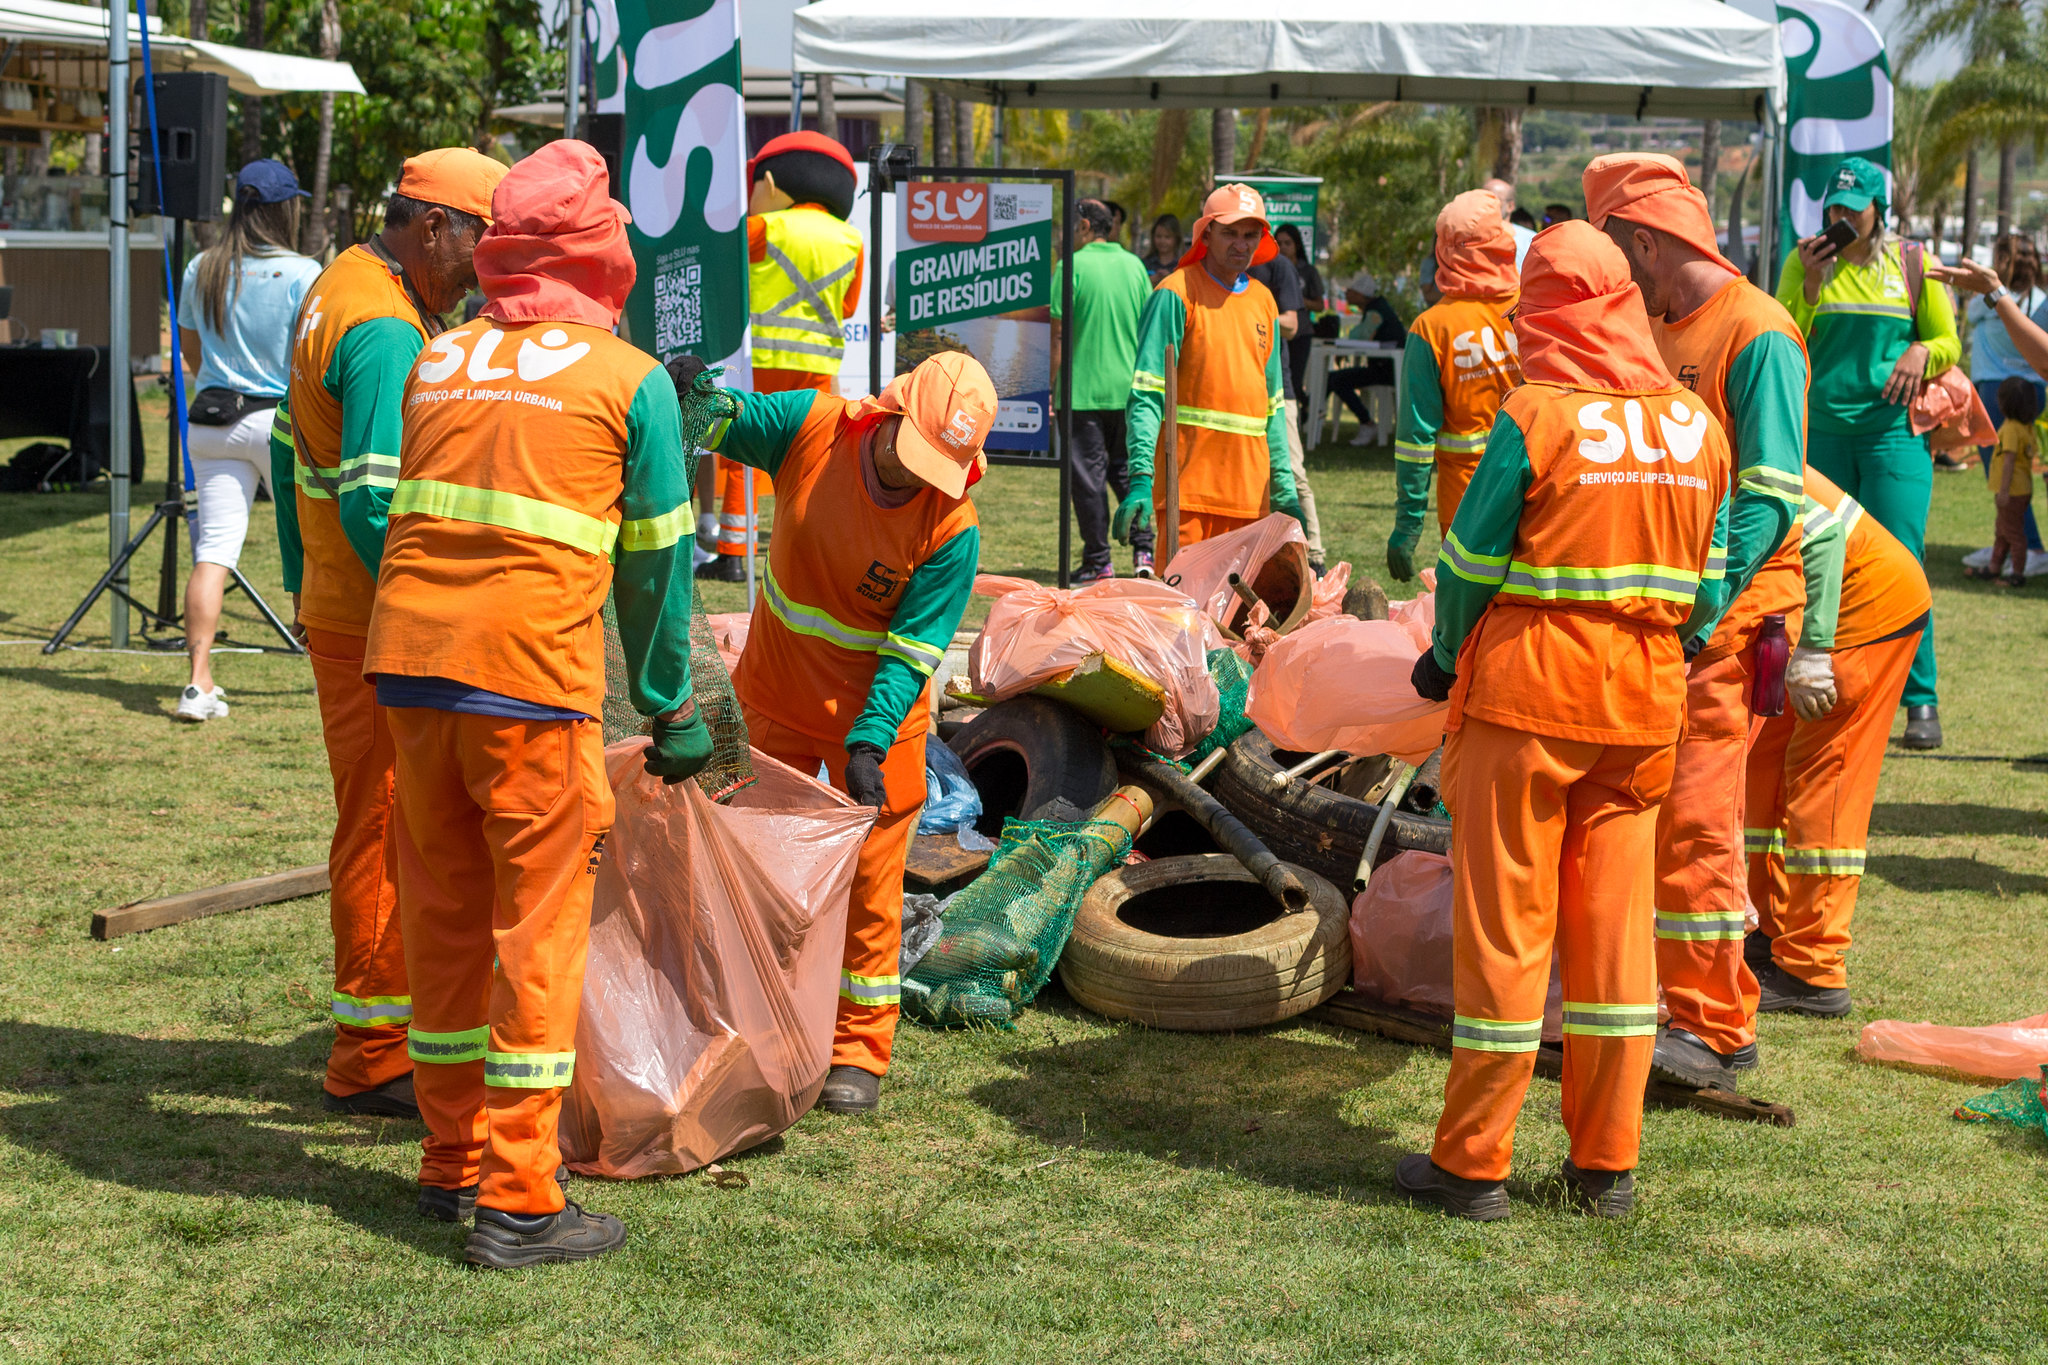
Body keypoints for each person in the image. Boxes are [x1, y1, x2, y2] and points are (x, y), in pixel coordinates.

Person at [363, 140, 696, 1267]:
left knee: (447, 925)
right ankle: (518, 1198)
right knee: (537, 937)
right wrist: (671, 708)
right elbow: (655, 567)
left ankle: (448, 1164)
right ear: (606, 258)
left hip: (410, 670)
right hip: (529, 686)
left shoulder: (439, 356)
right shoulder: (627, 380)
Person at [1397, 222, 1733, 1221]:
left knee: (1506, 936)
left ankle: (1471, 1167)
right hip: (1640, 710)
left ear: (1547, 314)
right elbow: (1707, 593)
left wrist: (1442, 655)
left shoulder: (1535, 415)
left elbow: (1466, 565)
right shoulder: (1693, 425)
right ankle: (1604, 1168)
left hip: (1526, 700)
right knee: (1614, 945)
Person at [691, 351, 991, 1116]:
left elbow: (912, 649)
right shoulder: (812, 427)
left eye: (939, 468)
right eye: (913, 454)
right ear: (889, 412)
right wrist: (694, 394)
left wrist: (867, 742)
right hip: (776, 693)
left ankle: (860, 1047)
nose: (918, 478)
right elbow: (727, 421)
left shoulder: (952, 527)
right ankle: (750, 1017)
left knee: (872, 882)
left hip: (879, 720)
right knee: (752, 861)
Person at [272, 145, 507, 1119]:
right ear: (432, 226)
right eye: (479, 245)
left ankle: (388, 1024)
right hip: (373, 619)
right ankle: (370, 1054)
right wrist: (433, 613)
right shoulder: (380, 330)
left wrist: (306, 587)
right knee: (382, 824)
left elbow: (296, 457)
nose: (483, 269)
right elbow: (375, 505)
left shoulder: (346, 282)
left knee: (382, 818)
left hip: (344, 605)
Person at [1584, 153, 1809, 1092]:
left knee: (1700, 823)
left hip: (1733, 622)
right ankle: (1679, 1000)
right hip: (1678, 620)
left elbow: (1770, 494)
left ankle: (1718, 1026)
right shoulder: (1660, 327)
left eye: (1616, 256)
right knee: (1663, 811)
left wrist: (1702, 602)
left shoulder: (1757, 333)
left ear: (1645, 238)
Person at [1775, 155, 1959, 750]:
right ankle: (1832, 691)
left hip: (1893, 437)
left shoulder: (1913, 264)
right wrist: (1806, 285)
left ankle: (1920, 700)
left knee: (1905, 562)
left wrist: (1920, 354)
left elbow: (1948, 340)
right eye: (1833, 208)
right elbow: (1782, 337)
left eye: (1853, 209)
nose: (1841, 219)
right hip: (1821, 435)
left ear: (1880, 210)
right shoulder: (1803, 264)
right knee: (1817, 564)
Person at [1744, 468, 1930, 1018]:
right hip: (1809, 615)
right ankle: (1767, 929)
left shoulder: (1730, 444)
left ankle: (1812, 968)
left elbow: (1821, 536)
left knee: (1824, 781)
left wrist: (1816, 650)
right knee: (1760, 770)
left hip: (1862, 611)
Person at [173, 159, 319, 723]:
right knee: (307, 548)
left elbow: (193, 354)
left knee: (214, 551)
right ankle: (324, 669)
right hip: (277, 421)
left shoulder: (202, 266)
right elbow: (309, 360)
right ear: (286, 209)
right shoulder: (304, 272)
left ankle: (197, 682)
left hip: (212, 422)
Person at [703, 131, 864, 583]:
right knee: (809, 454)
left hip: (761, 359)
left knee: (741, 450)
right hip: (818, 367)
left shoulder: (762, 228)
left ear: (770, 183)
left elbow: (723, 273)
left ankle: (735, 552)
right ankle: (806, 551)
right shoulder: (851, 240)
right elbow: (848, 307)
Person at [1120, 183, 1304, 550]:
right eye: (1230, 233)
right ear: (1207, 234)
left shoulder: (1265, 302)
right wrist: (1141, 476)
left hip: (1251, 496)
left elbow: (1273, 403)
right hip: (1186, 493)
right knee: (1184, 606)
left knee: (1240, 607)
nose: (1241, 244)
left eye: (1251, 235)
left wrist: (1283, 485)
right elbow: (1146, 393)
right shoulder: (1175, 294)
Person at [1386, 190, 1522, 581]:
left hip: (1468, 503)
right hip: (1539, 494)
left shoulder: (1431, 328)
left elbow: (1415, 441)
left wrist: (1409, 525)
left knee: (1471, 623)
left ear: (1446, 251)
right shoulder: (1537, 308)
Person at [1052, 198, 1155, 581]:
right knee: (1128, 472)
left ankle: (1098, 561)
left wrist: (1048, 387)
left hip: (1081, 394)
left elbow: (1059, 334)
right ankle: (1144, 551)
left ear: (1083, 225)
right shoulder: (1135, 267)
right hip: (1129, 393)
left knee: (1088, 480)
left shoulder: (1071, 266)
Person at [1957, 235, 2048, 563]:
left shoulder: (1990, 300)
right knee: (2019, 471)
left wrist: (1990, 285)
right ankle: (2012, 545)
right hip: (2032, 392)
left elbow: (1974, 311)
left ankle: (2029, 547)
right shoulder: (2040, 301)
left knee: (2003, 475)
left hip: (1998, 396)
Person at [1249, 230, 1327, 570]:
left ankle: (1315, 556)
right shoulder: (1220, 273)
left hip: (1279, 390)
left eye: (1249, 233)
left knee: (1293, 474)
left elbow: (1293, 325)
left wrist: (1243, 321)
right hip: (1237, 392)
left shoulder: (1277, 267)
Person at [1972, 376, 2040, 586]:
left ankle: (2017, 575)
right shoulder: (2027, 427)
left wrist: (2003, 491)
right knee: (2002, 530)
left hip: (2011, 492)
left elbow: (2009, 461)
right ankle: (1994, 567)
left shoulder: (2010, 429)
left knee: (2013, 533)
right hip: (2022, 489)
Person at [1330, 271, 1407, 445]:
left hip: (1387, 372)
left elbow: (1361, 336)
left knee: (1337, 379)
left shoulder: (1376, 311)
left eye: (1350, 291)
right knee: (1336, 379)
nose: (1347, 294)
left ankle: (1366, 422)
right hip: (1386, 369)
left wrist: (1343, 347)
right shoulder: (1377, 307)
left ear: (1360, 294)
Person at [1275, 224, 1328, 400]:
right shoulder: (1271, 268)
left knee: (1295, 382)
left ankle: (1303, 411)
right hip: (1277, 331)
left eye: (1287, 243)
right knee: (1278, 381)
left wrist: (1297, 300)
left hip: (1301, 332)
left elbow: (1320, 305)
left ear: (1296, 245)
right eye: (1278, 243)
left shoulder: (1308, 271)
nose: (1282, 247)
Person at [1482, 177, 1536, 272]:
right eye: (1482, 199)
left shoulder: (1531, 241)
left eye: (1493, 200)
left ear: (1510, 206)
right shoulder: (1467, 237)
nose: (1486, 204)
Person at [1140, 213, 1183, 284]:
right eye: (1158, 236)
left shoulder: (1182, 265)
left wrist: (1170, 279)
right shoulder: (1145, 264)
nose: (1162, 241)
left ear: (1176, 239)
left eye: (1167, 237)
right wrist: (1148, 281)